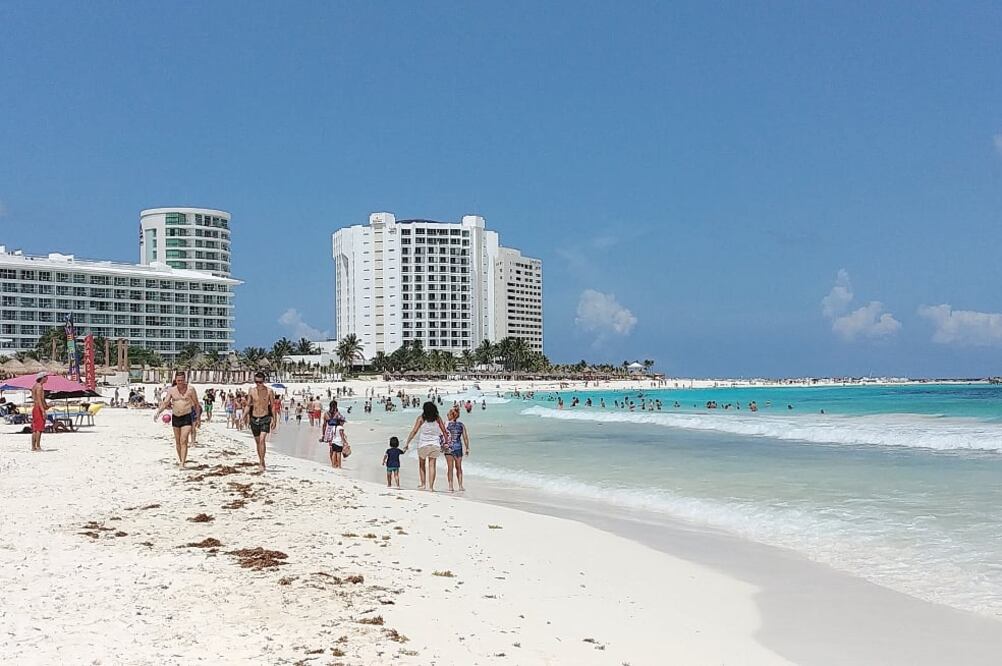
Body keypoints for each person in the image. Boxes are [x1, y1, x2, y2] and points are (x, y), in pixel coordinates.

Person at [154, 371, 199, 467]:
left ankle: (182, 463)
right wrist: (158, 412)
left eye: (182, 380)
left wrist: (198, 418)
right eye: (178, 380)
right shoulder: (172, 390)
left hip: (186, 416)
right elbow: (165, 402)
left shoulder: (191, 389)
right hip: (175, 417)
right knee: (178, 441)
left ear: (185, 379)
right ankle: (181, 459)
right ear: (175, 380)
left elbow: (196, 404)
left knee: (184, 440)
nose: (180, 382)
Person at [404, 401, 448, 491]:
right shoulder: (437, 418)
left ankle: (423, 484)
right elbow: (444, 431)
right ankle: (431, 487)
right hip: (435, 444)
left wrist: (407, 442)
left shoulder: (421, 419)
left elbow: (414, 431)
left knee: (421, 464)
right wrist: (446, 443)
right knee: (432, 465)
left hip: (423, 444)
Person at [245, 372, 276, 471]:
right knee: (258, 442)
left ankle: (261, 463)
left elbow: (273, 406)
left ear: (264, 381)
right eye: (256, 382)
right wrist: (243, 416)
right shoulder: (251, 391)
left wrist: (274, 419)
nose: (258, 384)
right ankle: (261, 461)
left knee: (262, 440)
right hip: (254, 418)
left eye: (260, 382)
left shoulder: (269, 391)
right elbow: (248, 405)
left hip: (265, 418)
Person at [444, 407, 471, 492]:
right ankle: (460, 486)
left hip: (448, 448)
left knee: (450, 468)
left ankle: (450, 486)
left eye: (448, 414)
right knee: (459, 467)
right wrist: (467, 448)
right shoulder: (461, 425)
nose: (447, 415)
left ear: (451, 415)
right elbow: (465, 437)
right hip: (458, 447)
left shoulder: (446, 424)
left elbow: (442, 435)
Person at [322, 401, 348, 468]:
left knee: (332, 448)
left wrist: (323, 435)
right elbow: (343, 420)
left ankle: (333, 463)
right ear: (336, 406)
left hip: (329, 431)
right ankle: (337, 463)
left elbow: (324, 425)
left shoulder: (326, 414)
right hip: (336, 430)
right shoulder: (337, 413)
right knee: (338, 448)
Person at [30, 372, 49, 451]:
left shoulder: (34, 386)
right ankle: (37, 446)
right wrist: (43, 410)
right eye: (46, 377)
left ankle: (33, 446)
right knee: (39, 428)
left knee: (35, 428)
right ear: (42, 378)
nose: (47, 378)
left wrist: (46, 406)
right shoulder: (39, 387)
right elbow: (39, 399)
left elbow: (39, 399)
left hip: (35, 407)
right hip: (38, 408)